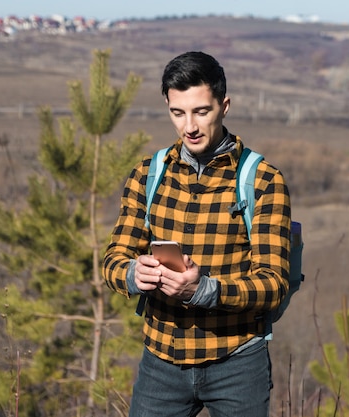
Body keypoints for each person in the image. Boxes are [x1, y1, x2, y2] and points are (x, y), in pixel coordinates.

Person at [103, 51, 292, 417]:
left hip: (237, 362)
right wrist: (131, 274)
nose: (189, 126)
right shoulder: (147, 174)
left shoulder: (263, 180)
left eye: (201, 111)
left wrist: (203, 290)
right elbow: (113, 258)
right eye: (178, 113)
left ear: (224, 106)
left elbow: (274, 284)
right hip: (161, 362)